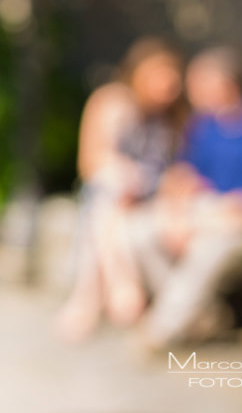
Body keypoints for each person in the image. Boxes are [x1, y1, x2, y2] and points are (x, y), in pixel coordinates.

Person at [134, 46, 242, 348]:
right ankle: (205, 315)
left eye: (200, 84)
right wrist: (177, 214)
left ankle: (161, 330)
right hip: (207, 211)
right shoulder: (204, 126)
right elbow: (185, 176)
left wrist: (209, 217)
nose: (192, 93)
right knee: (141, 234)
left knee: (206, 250)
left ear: (227, 84)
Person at [57, 38, 185, 341]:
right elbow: (91, 162)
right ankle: (119, 283)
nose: (167, 86)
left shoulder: (174, 117)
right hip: (112, 192)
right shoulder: (112, 102)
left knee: (107, 209)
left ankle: (90, 297)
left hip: (149, 198)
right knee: (110, 199)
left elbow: (177, 171)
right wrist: (127, 178)